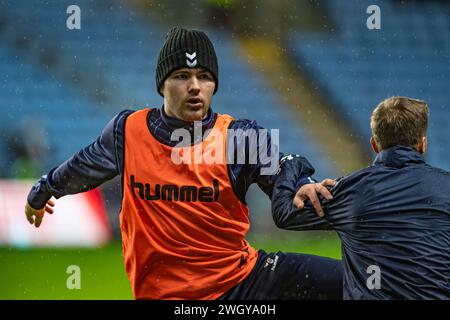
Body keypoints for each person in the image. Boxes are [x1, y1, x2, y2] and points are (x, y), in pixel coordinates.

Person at [25, 27, 342, 300]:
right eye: (181, 76)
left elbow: (282, 179)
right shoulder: (127, 133)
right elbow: (81, 166)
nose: (194, 86)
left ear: (214, 85)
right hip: (168, 296)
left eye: (204, 77)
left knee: (354, 281)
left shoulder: (239, 136)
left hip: (243, 283)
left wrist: (303, 186)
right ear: (161, 84)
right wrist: (41, 191)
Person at [272, 96, 450, 299]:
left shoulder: (350, 189)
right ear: (423, 144)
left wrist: (294, 167)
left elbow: (284, 213)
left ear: (374, 144)